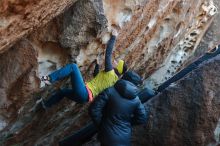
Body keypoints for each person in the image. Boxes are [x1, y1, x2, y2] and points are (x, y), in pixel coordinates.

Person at [31, 29, 127, 111]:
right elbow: (96, 76)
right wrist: (97, 65)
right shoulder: (112, 81)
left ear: (118, 68)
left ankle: (49, 79)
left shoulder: (111, 73)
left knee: (73, 67)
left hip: (84, 92)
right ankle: (46, 105)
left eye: (117, 63)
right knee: (63, 92)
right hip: (83, 98)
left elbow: (108, 54)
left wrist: (114, 37)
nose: (115, 61)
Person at [89, 78, 148, 146]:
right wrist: (127, 123)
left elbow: (94, 110)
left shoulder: (110, 91)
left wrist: (101, 125)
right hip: (125, 139)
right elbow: (142, 118)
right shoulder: (136, 100)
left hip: (107, 135)